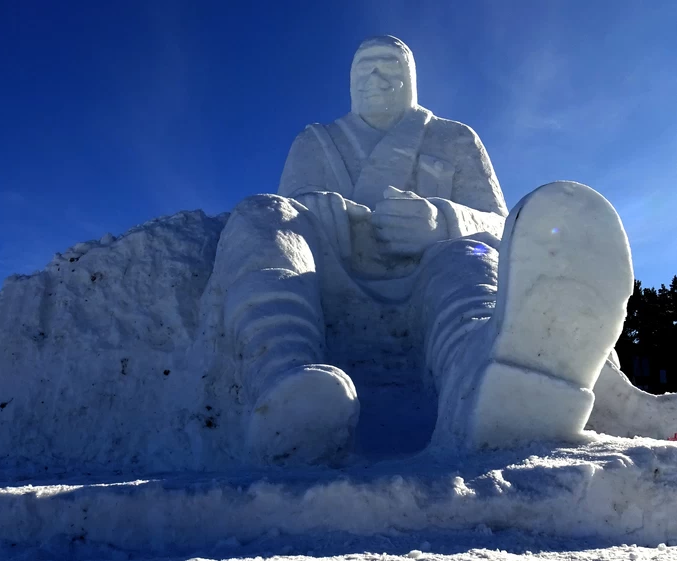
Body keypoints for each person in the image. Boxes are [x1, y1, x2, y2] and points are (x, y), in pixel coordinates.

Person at [203, 35, 633, 464]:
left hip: (432, 276)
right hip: (332, 280)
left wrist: (443, 222)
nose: (375, 77)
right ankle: (284, 379)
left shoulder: (453, 137)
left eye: (388, 66)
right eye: (364, 68)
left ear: (411, 78)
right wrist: (318, 211)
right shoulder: (317, 142)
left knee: (469, 256)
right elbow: (288, 220)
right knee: (261, 211)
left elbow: (501, 228)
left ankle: (491, 381)